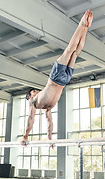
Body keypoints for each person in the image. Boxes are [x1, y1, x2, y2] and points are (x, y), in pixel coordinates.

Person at [21, 10, 93, 146]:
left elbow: (32, 118)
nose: (36, 91)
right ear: (30, 96)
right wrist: (49, 139)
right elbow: (39, 120)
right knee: (75, 53)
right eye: (33, 91)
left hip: (55, 79)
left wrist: (26, 136)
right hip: (64, 81)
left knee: (70, 51)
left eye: (35, 90)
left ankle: (81, 24)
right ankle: (85, 28)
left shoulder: (40, 102)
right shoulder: (38, 105)